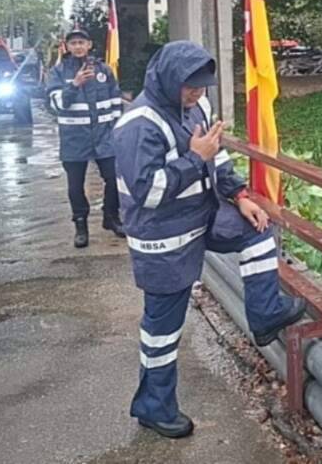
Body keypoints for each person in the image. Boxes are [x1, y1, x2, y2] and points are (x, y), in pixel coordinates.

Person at [113, 40, 305, 439]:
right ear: (168, 80)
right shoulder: (138, 124)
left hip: (202, 216)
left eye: (202, 86)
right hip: (163, 239)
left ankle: (265, 314)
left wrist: (240, 195)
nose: (198, 94)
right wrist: (194, 158)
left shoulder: (196, 107)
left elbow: (217, 156)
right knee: (163, 332)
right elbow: (147, 193)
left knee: (257, 230)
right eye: (190, 86)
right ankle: (154, 407)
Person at [46, 28, 125, 247]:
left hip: (104, 138)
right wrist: (74, 84)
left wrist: (117, 130)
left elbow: (116, 101)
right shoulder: (59, 72)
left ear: (89, 45)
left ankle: (111, 217)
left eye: (82, 42)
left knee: (114, 178)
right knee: (75, 186)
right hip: (74, 140)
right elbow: (56, 105)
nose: (78, 46)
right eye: (74, 43)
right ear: (67, 47)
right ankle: (80, 225)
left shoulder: (104, 70)